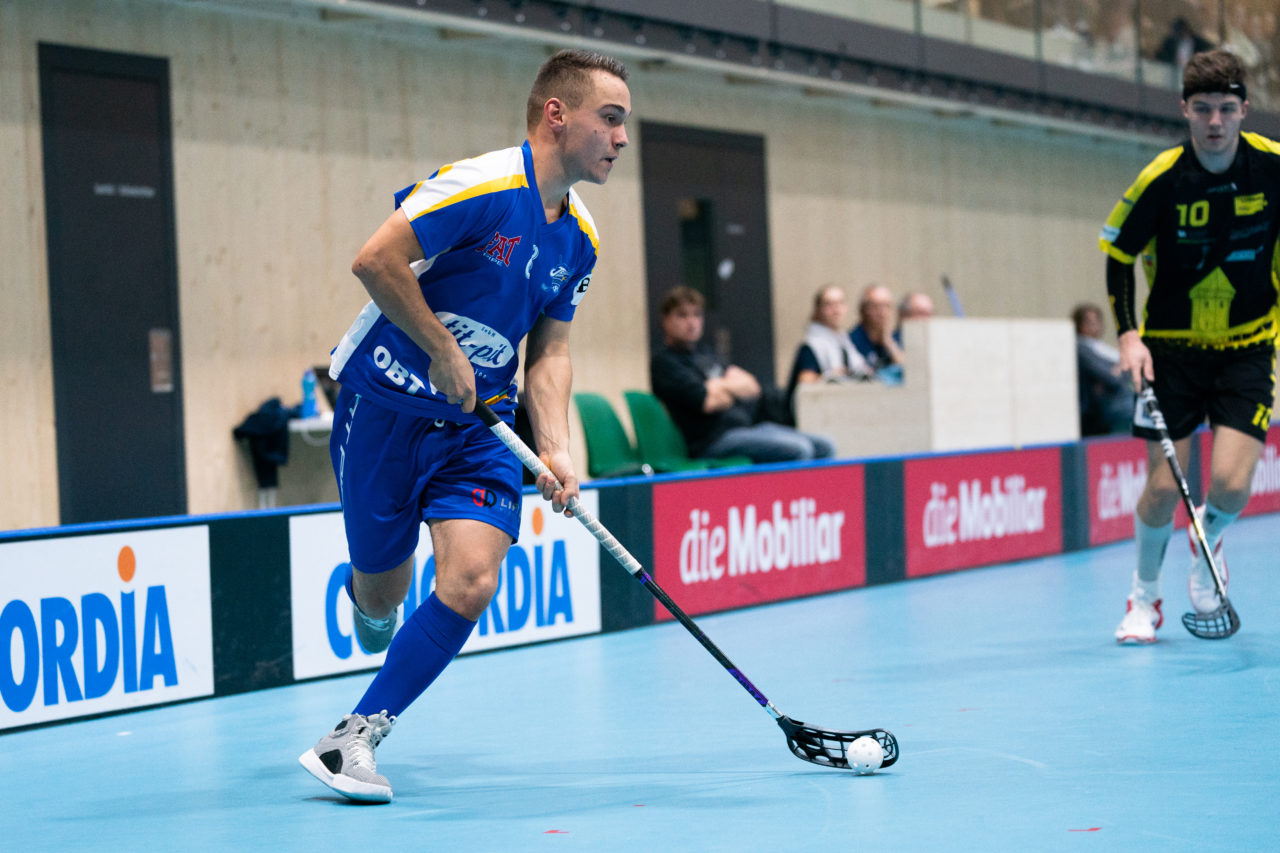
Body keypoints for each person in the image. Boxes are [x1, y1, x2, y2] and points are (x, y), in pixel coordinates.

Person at [298, 48, 631, 802]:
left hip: (480, 425)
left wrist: (554, 445)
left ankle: (354, 735)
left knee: (473, 577)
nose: (620, 138)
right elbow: (375, 259)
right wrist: (442, 350)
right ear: (557, 115)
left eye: (625, 124)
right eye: (609, 118)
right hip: (385, 404)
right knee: (382, 594)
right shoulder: (482, 185)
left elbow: (549, 354)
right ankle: (371, 605)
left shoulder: (581, 237)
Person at [1099, 49, 1280, 644]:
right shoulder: (1161, 178)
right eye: (1202, 108)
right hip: (1170, 353)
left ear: (1244, 110)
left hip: (1248, 347)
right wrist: (1128, 333)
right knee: (1159, 490)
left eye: (1227, 108)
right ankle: (1144, 597)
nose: (1214, 121)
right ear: (1185, 109)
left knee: (1230, 485)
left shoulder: (1273, 168)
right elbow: (1119, 257)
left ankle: (1207, 547)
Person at [651, 286, 836, 463]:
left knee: (825, 446)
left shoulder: (708, 354)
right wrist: (728, 387)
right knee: (798, 449)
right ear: (666, 319)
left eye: (697, 315)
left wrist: (718, 386)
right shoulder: (665, 362)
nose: (691, 322)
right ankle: (791, 497)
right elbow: (708, 401)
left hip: (749, 428)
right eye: (682, 315)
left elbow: (751, 387)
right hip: (712, 441)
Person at [788, 285, 872, 393]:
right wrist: (831, 376)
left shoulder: (845, 341)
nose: (836, 310)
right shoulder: (811, 346)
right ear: (818, 310)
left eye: (840, 303)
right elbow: (805, 381)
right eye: (829, 304)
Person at [1072, 302, 1134, 437]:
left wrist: (1120, 368)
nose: (1094, 326)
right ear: (1078, 324)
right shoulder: (1080, 348)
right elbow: (1111, 378)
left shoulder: (1100, 347)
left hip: (1123, 404)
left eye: (1097, 321)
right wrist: (1122, 366)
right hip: (1107, 410)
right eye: (1089, 322)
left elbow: (1130, 368)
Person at [849, 283, 905, 382]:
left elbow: (906, 371)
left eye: (886, 306)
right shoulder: (851, 341)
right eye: (875, 306)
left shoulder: (894, 339)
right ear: (862, 310)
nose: (882, 312)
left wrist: (889, 343)